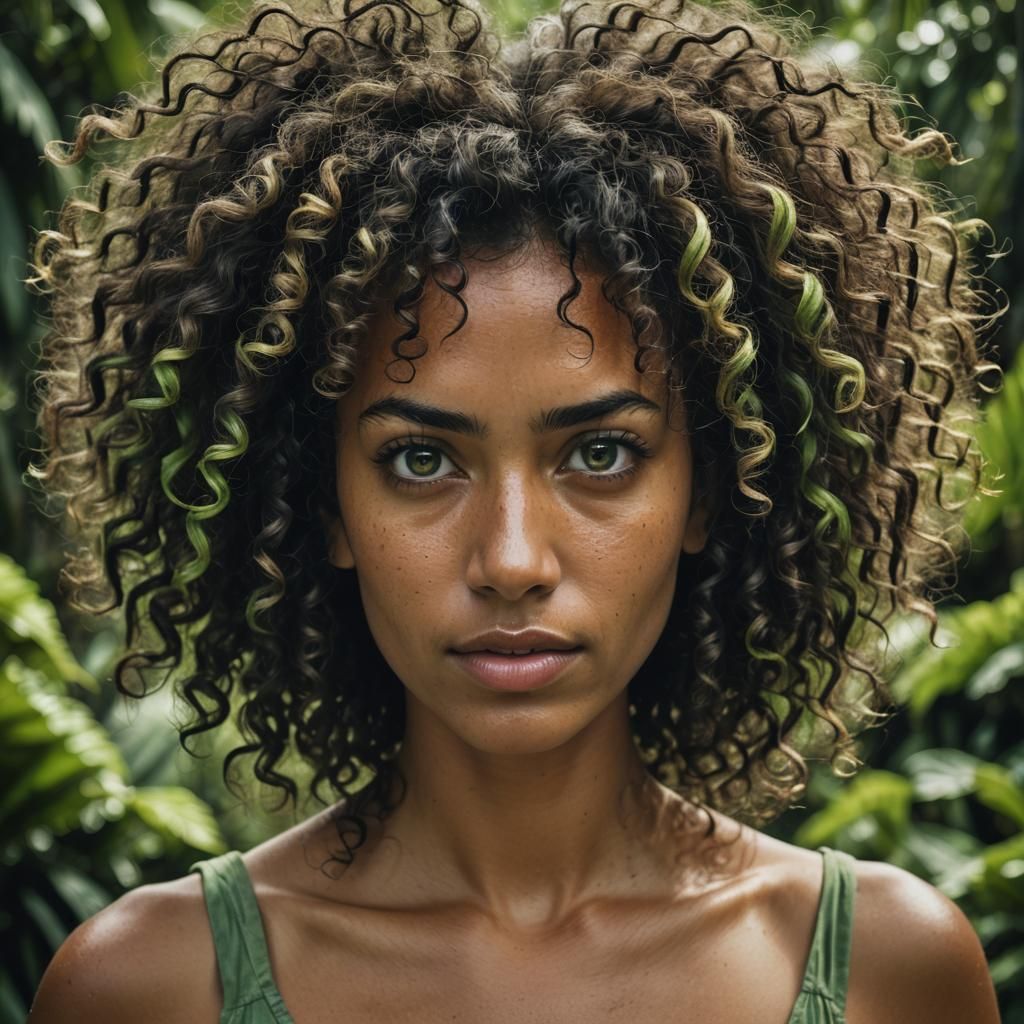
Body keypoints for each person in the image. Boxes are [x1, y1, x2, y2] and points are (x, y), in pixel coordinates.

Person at [25, 0, 1004, 1020]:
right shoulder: (151, 986)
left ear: (710, 489)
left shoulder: (890, 971)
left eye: (599, 453)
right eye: (419, 460)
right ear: (325, 506)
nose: (511, 559)